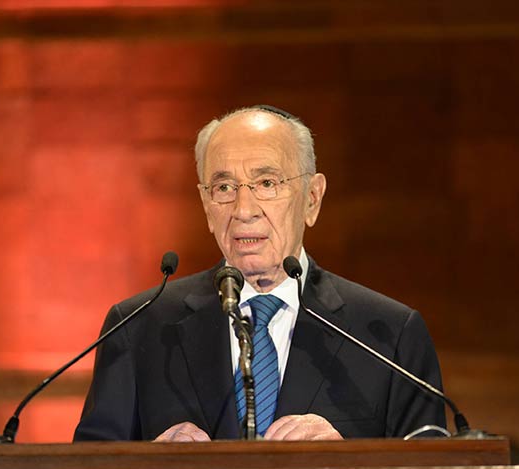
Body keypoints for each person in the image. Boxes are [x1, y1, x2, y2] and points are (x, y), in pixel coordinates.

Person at [73, 105, 446, 442]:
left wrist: (348, 462)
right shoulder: (139, 326)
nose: (243, 209)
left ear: (312, 199)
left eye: (267, 183)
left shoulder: (389, 334)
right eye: (224, 187)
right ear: (206, 206)